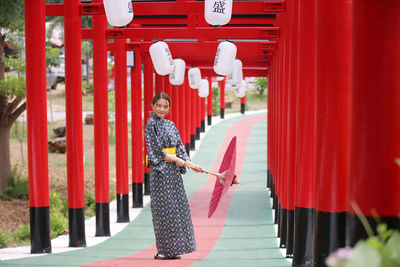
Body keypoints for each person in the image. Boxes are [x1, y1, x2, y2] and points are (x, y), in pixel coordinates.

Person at [144, 92, 203, 260]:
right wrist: (177, 160)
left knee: (177, 210)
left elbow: (179, 146)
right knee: (163, 211)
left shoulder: (170, 124)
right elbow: (155, 151)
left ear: (169, 108)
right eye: (159, 106)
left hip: (173, 173)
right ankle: (163, 250)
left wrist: (190, 164)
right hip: (161, 173)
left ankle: (174, 249)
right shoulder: (150, 124)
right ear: (153, 106)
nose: (162, 109)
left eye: (165, 106)